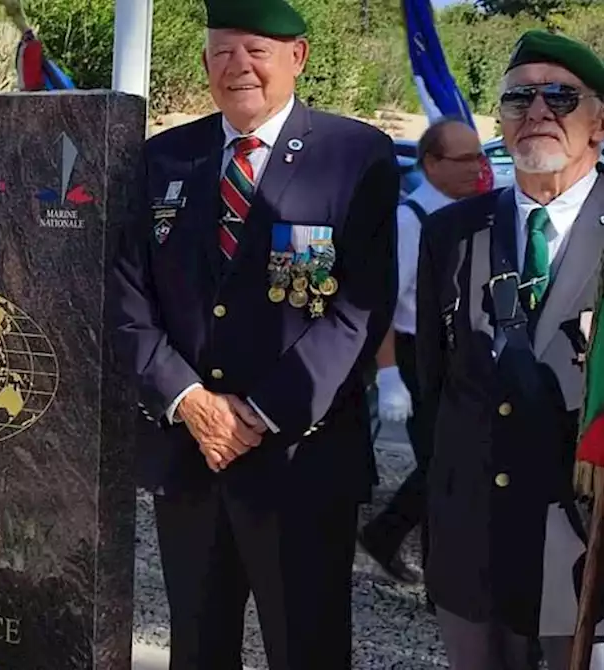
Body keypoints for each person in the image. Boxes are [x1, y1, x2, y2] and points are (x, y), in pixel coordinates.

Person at [107, 0, 398, 667]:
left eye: (256, 50)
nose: (238, 66)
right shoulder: (163, 159)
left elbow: (357, 309)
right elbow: (127, 295)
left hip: (301, 464)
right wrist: (188, 399)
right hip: (192, 457)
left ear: (297, 56)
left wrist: (260, 413)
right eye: (222, 51)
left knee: (307, 650)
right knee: (198, 650)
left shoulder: (354, 156)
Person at [417, 30, 605, 669]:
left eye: (561, 97)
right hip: (474, 545)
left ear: (599, 122)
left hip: (584, 549)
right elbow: (433, 389)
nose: (539, 113)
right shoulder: (451, 232)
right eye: (520, 99)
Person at [360, 117, 485, 586]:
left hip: (458, 352)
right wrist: (390, 374)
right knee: (441, 467)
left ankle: (388, 537)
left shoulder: (468, 213)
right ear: (431, 163)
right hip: (416, 355)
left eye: (479, 156)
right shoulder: (410, 222)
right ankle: (436, 577)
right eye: (465, 159)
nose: (478, 168)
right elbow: (385, 305)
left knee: (454, 464)